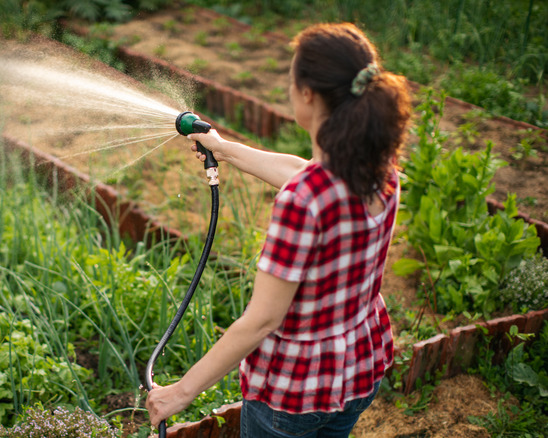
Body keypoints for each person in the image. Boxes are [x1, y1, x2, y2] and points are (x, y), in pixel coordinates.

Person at [145, 22, 412, 437]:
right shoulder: (381, 171)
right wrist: (223, 147)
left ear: (307, 94)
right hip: (360, 368)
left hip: (294, 395)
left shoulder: (302, 201)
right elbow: (301, 170)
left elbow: (262, 321)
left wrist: (180, 392)